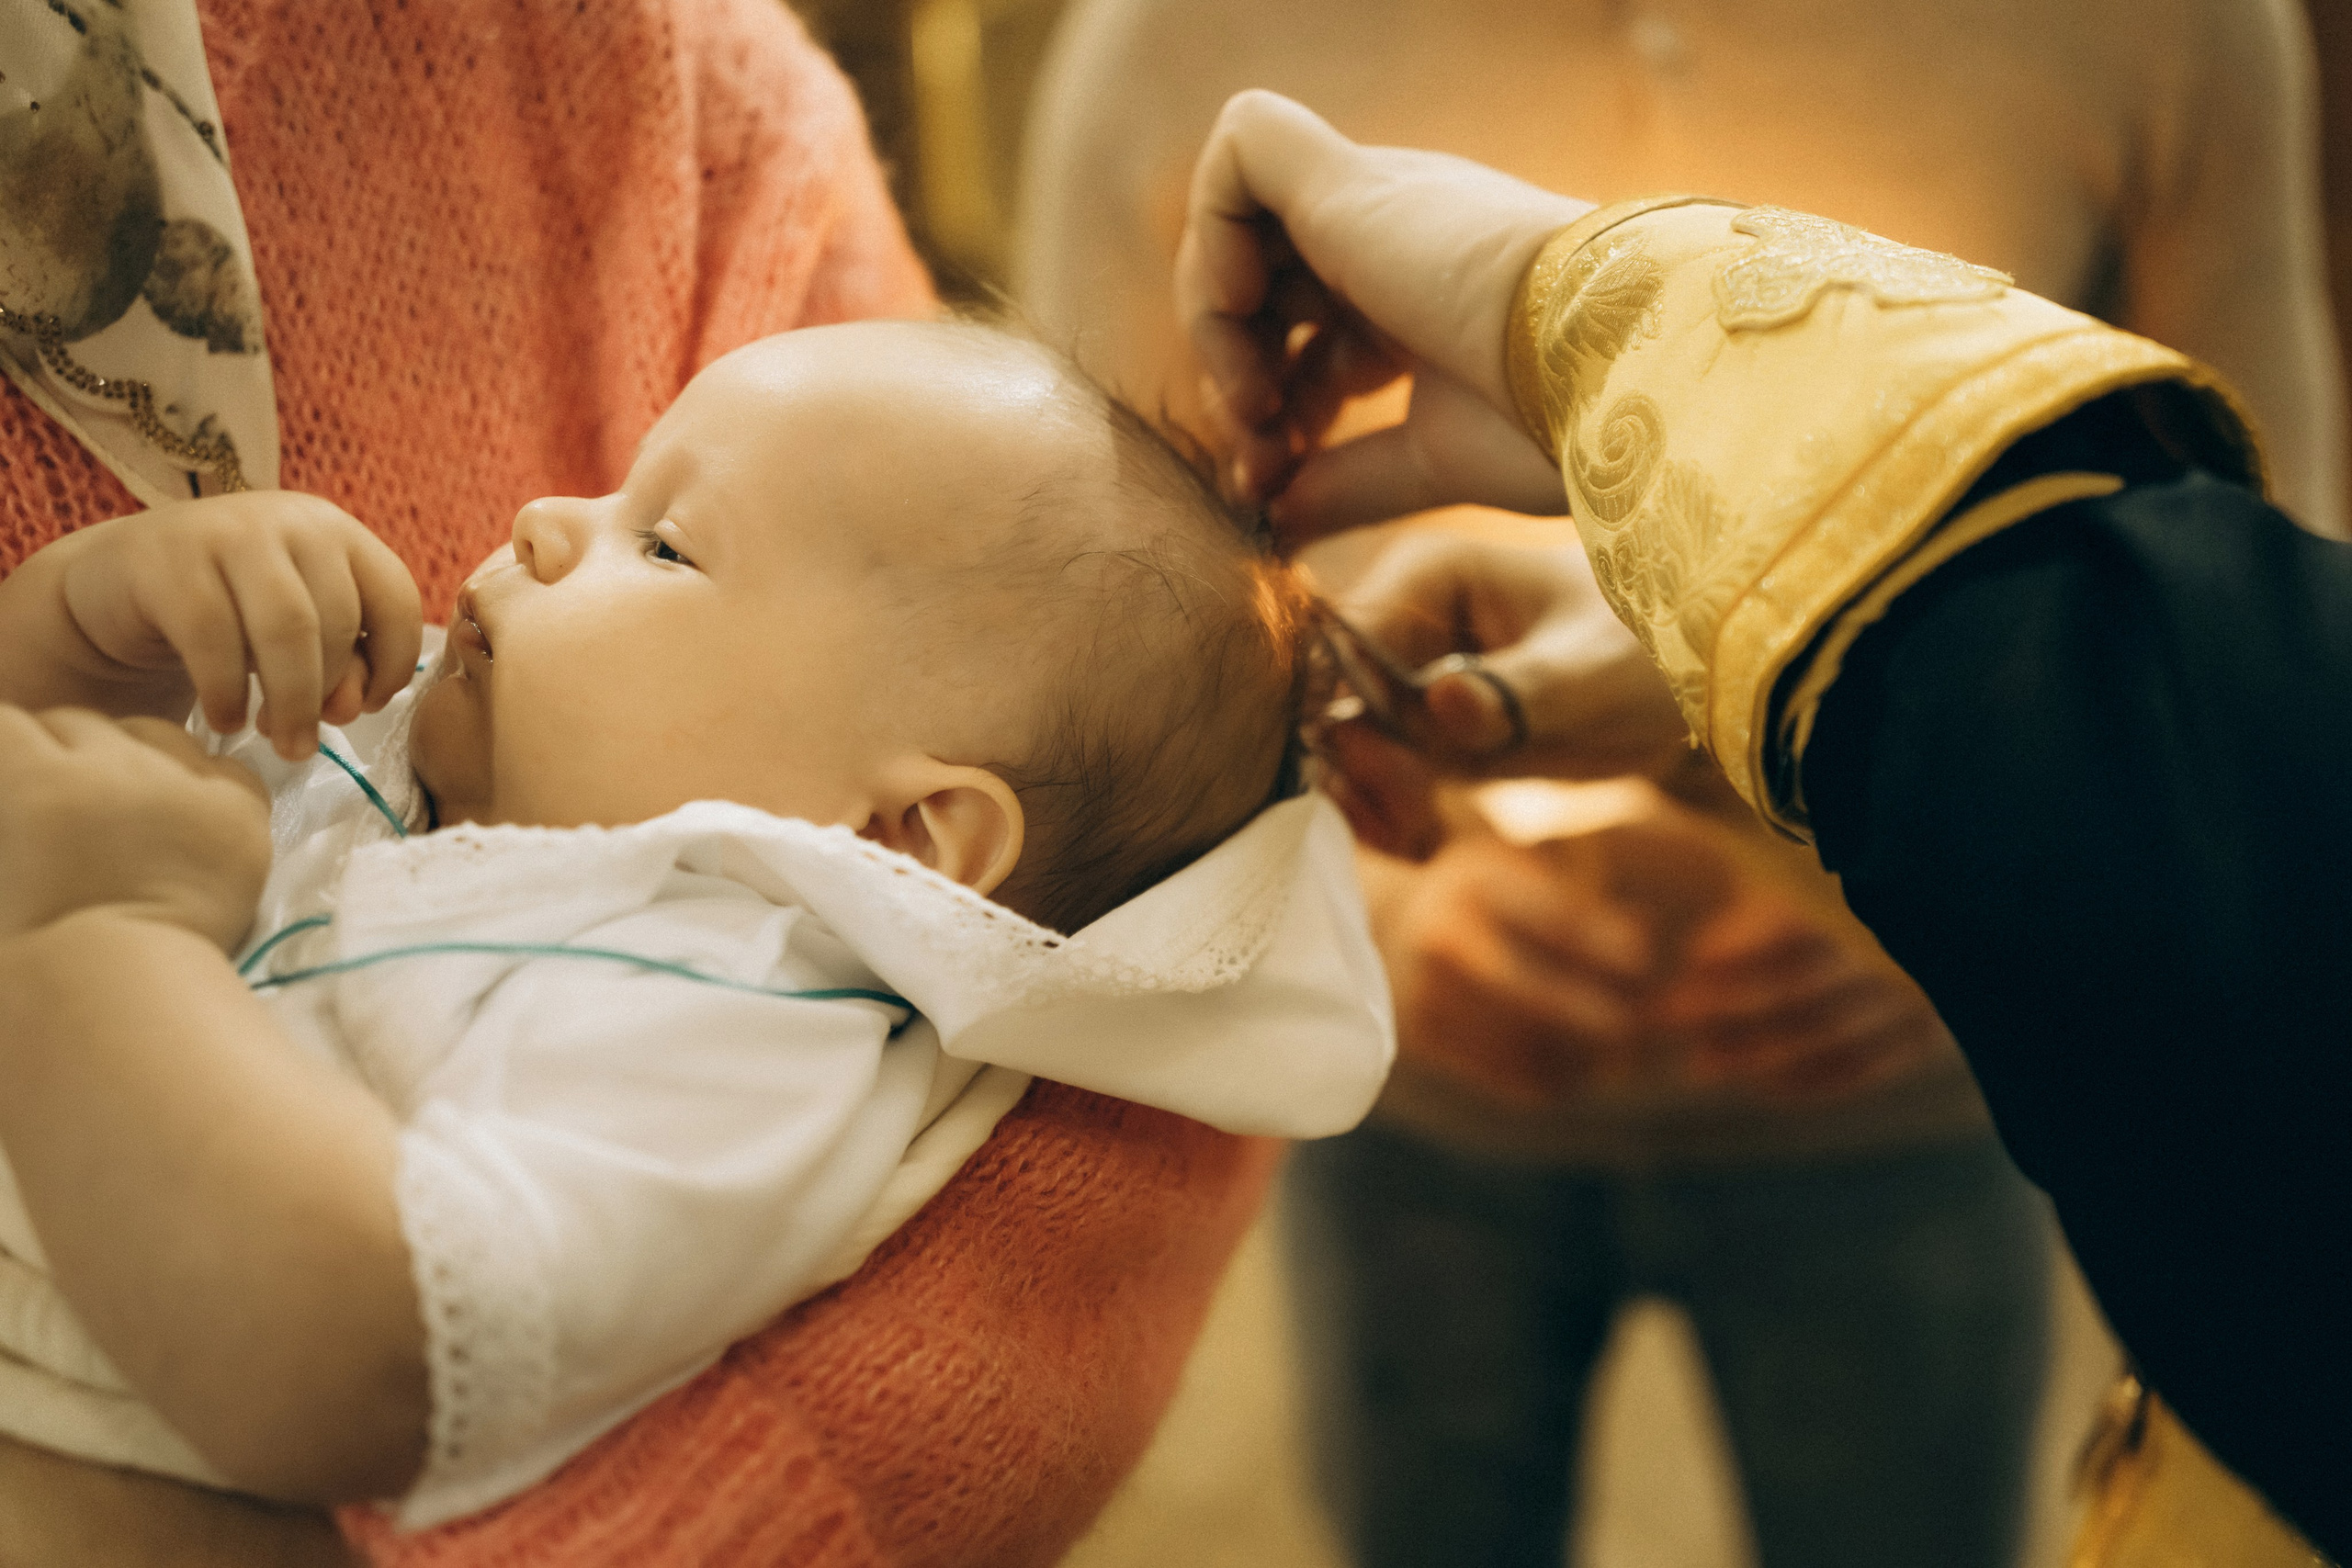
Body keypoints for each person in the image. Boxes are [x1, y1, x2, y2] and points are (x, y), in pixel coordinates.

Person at [1021, 4, 2342, 1560]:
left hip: (1911, 1105)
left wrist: (1959, 916)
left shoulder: (2171, 29)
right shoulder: (1167, 36)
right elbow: (1075, 638)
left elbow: (2260, 553)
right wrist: (1362, 915)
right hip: (1410, 1098)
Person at [0, 4, 1318, 1562]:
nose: (550, 516)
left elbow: (352, 1369)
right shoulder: (464, 789)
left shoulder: (729, 1014)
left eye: (667, 542)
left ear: (901, 835)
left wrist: (92, 936)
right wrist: (105, 628)